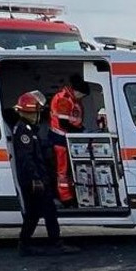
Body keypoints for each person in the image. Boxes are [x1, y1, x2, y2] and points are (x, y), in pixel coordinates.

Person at [12, 91, 78, 256]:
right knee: (48, 211)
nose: (38, 116)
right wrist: (36, 179)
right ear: (29, 113)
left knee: (33, 214)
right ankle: (55, 243)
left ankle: (24, 244)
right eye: (36, 112)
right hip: (34, 180)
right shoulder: (24, 131)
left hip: (36, 178)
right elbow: (26, 158)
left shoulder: (27, 129)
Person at [49, 74, 89, 203]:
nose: (82, 98)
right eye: (82, 95)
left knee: (67, 170)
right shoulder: (64, 99)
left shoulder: (72, 99)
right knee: (63, 171)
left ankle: (70, 196)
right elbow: (64, 123)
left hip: (66, 138)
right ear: (77, 91)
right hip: (60, 139)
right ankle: (65, 198)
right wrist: (81, 132)